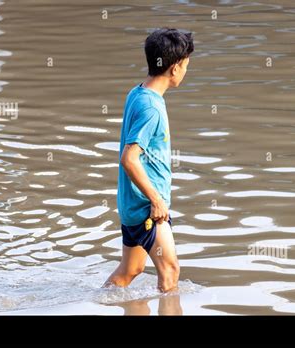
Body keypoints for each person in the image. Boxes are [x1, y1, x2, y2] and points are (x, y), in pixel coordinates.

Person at [103, 28, 194, 293]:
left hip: (132, 206)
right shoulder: (152, 108)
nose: (187, 70)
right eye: (186, 65)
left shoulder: (138, 93)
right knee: (170, 270)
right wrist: (156, 200)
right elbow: (129, 159)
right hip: (147, 208)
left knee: (131, 270)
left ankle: (93, 305)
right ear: (175, 68)